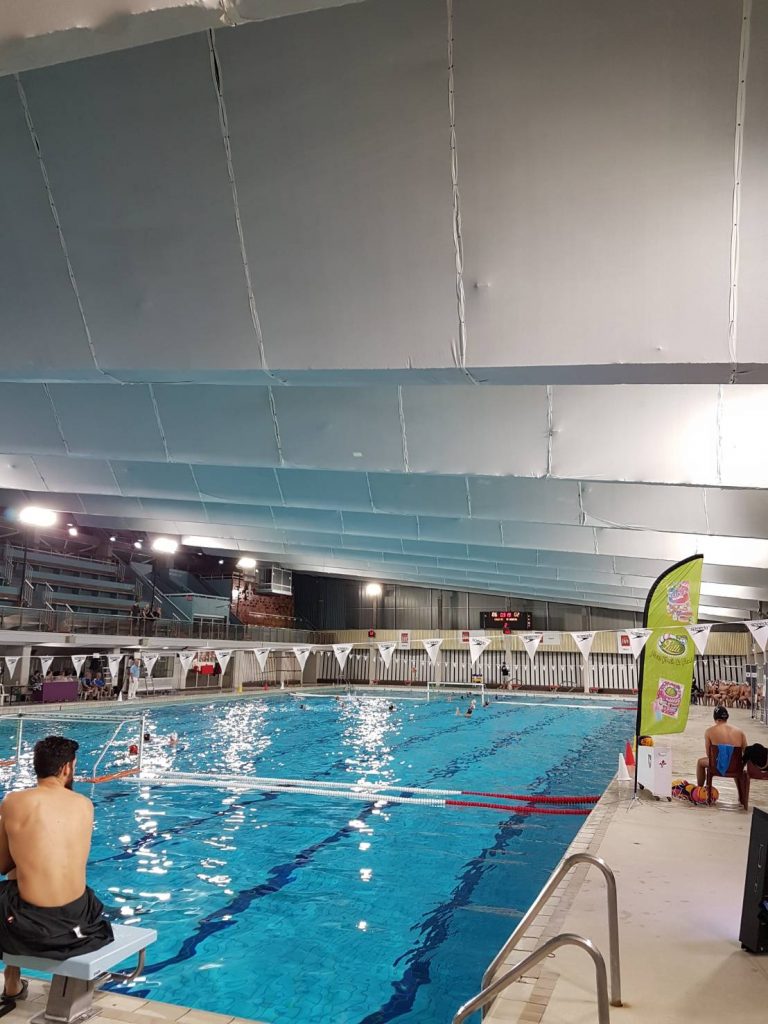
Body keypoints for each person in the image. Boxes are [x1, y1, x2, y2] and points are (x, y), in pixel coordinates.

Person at [0, 737, 113, 998]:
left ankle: (12, 977)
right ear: (66, 768)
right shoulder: (84, 804)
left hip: (31, 924)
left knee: (14, 878)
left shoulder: (14, 802)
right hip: (79, 918)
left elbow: (3, 865)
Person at [696, 706, 747, 786]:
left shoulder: (709, 731)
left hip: (717, 767)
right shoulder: (740, 732)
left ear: (714, 718)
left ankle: (700, 789)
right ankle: (740, 793)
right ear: (727, 717)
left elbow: (709, 754)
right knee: (734, 761)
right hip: (736, 767)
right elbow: (746, 752)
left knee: (700, 762)